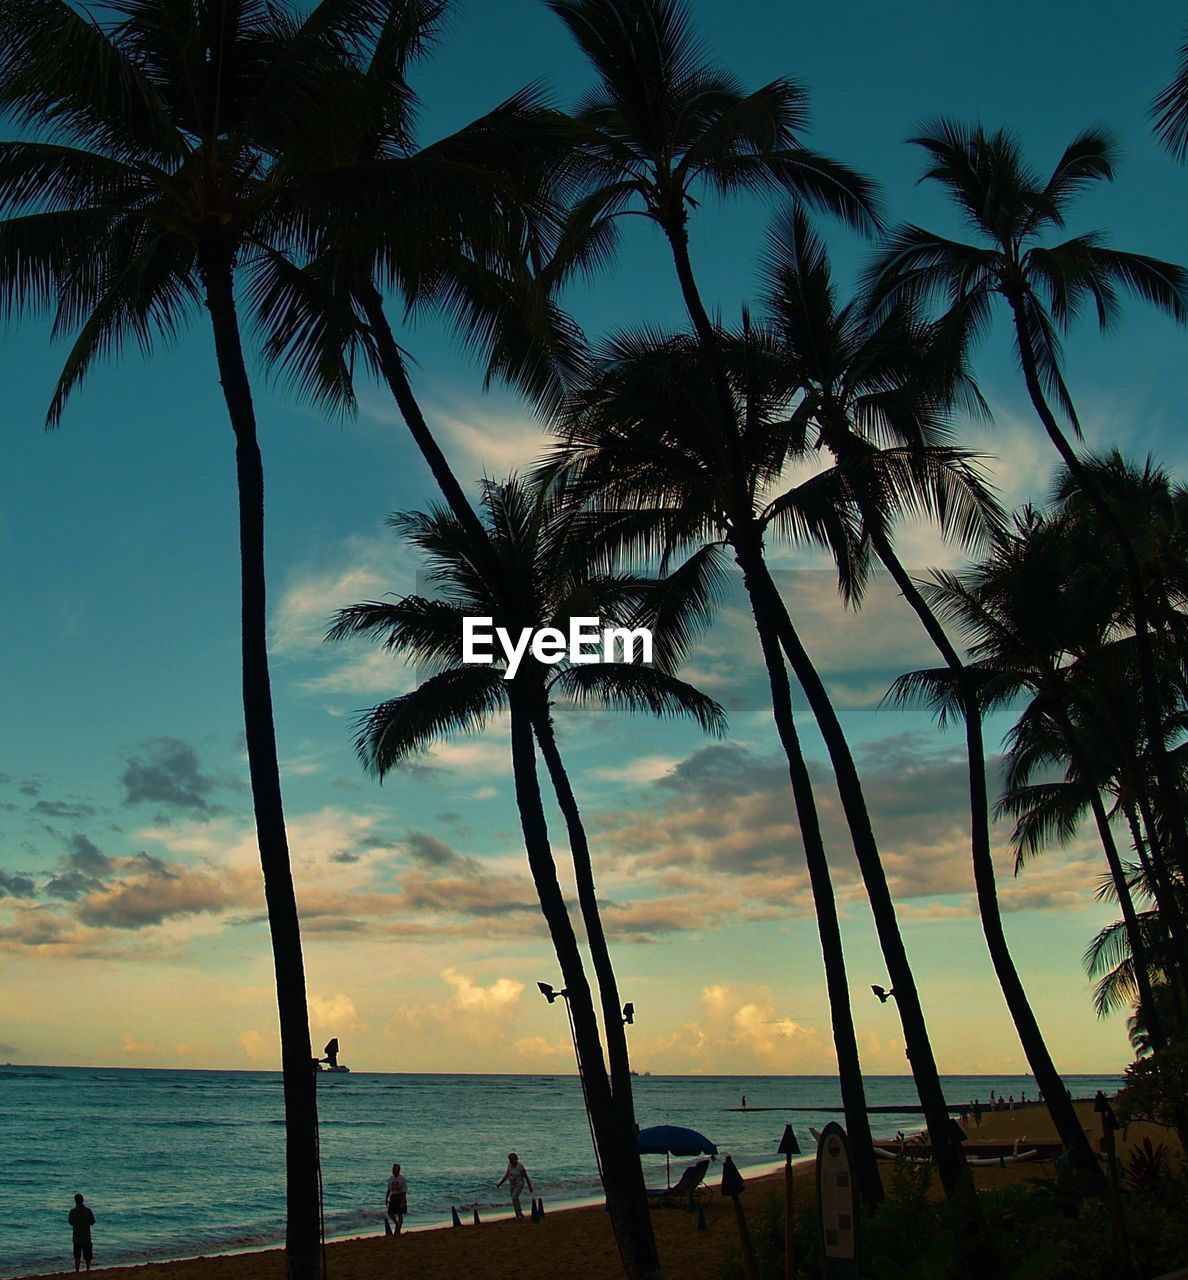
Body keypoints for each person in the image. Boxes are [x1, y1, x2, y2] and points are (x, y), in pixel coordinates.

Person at [497, 1152, 533, 1219]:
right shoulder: (509, 1166)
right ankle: (518, 1214)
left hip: (519, 1184)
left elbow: (526, 1177)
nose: (511, 1161)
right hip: (512, 1185)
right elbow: (507, 1175)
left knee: (514, 1197)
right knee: (514, 1200)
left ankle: (519, 1213)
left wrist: (530, 1187)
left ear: (516, 1159)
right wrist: (500, 1183)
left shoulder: (520, 1166)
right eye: (510, 1159)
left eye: (512, 1159)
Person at [68, 1193, 95, 1272]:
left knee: (77, 1256)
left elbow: (70, 1222)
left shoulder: (72, 1212)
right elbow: (92, 1222)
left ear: (75, 1201)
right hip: (86, 1236)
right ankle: (87, 1269)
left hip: (77, 1236)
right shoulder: (88, 1211)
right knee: (87, 1256)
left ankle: (77, 1270)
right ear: (83, 1200)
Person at [385, 1162, 408, 1236]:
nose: (393, 1170)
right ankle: (396, 1223)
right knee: (390, 1213)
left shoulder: (402, 1179)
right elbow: (389, 1189)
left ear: (398, 1170)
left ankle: (398, 1229)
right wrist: (386, 1198)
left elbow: (404, 1191)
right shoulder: (391, 1178)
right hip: (393, 1196)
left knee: (400, 1214)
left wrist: (403, 1201)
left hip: (400, 1196)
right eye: (393, 1169)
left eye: (395, 1169)